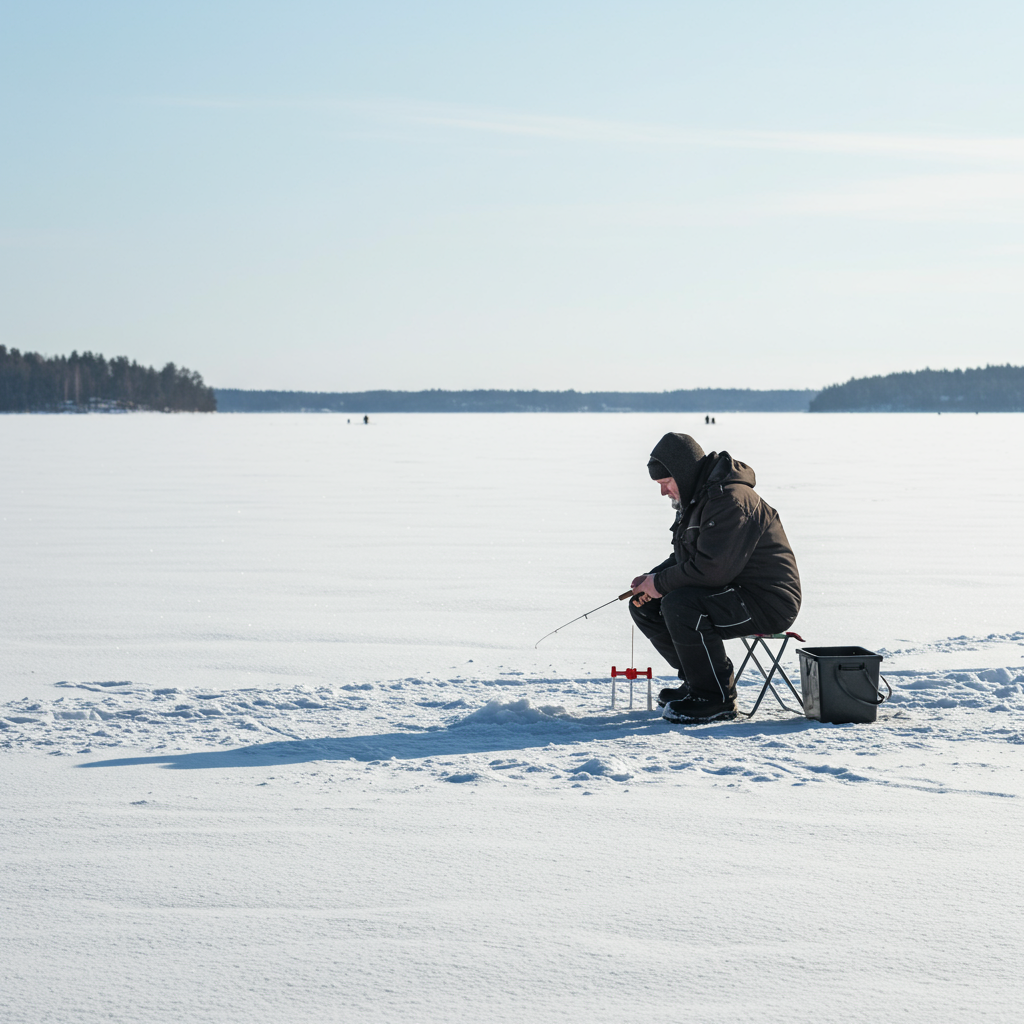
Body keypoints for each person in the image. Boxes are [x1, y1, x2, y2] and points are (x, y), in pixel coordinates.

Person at [630, 432, 801, 723]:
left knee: (680, 605)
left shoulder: (730, 500)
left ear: (682, 474)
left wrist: (659, 584)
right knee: (645, 604)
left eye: (666, 483)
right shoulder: (700, 498)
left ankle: (715, 698)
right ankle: (697, 682)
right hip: (731, 590)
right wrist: (652, 578)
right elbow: (691, 558)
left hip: (767, 601)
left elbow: (713, 569)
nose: (663, 492)